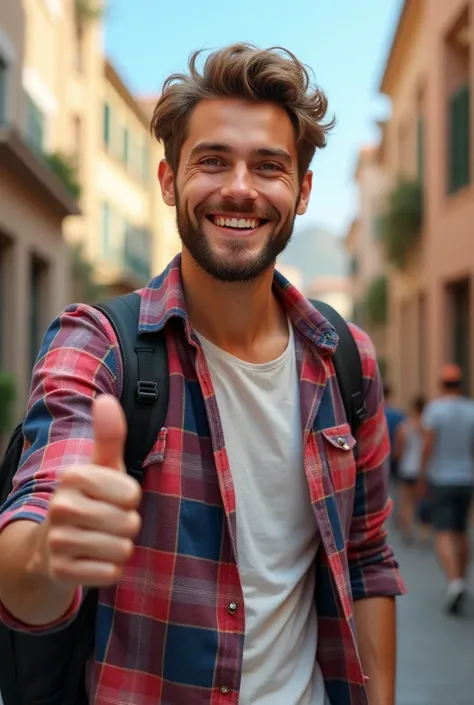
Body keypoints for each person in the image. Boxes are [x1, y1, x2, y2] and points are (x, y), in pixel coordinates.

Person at [0, 44, 405, 705]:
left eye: (269, 166)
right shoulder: (96, 341)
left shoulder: (347, 358)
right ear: (168, 180)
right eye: (212, 160)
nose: (240, 187)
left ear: (301, 190)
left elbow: (369, 562)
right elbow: (25, 556)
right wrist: (50, 553)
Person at [420, 364, 474, 615]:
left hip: (441, 478)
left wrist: (422, 474)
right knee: (462, 531)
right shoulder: (470, 409)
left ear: (442, 384)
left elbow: (428, 445)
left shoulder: (435, 409)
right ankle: (460, 580)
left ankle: (453, 582)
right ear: (460, 384)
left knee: (443, 532)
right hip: (467, 478)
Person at [394, 395, 426, 543]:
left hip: (407, 467)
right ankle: (423, 531)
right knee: (421, 498)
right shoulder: (428, 426)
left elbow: (398, 449)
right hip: (423, 468)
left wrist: (398, 461)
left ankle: (407, 529)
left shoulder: (405, 426)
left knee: (406, 500)